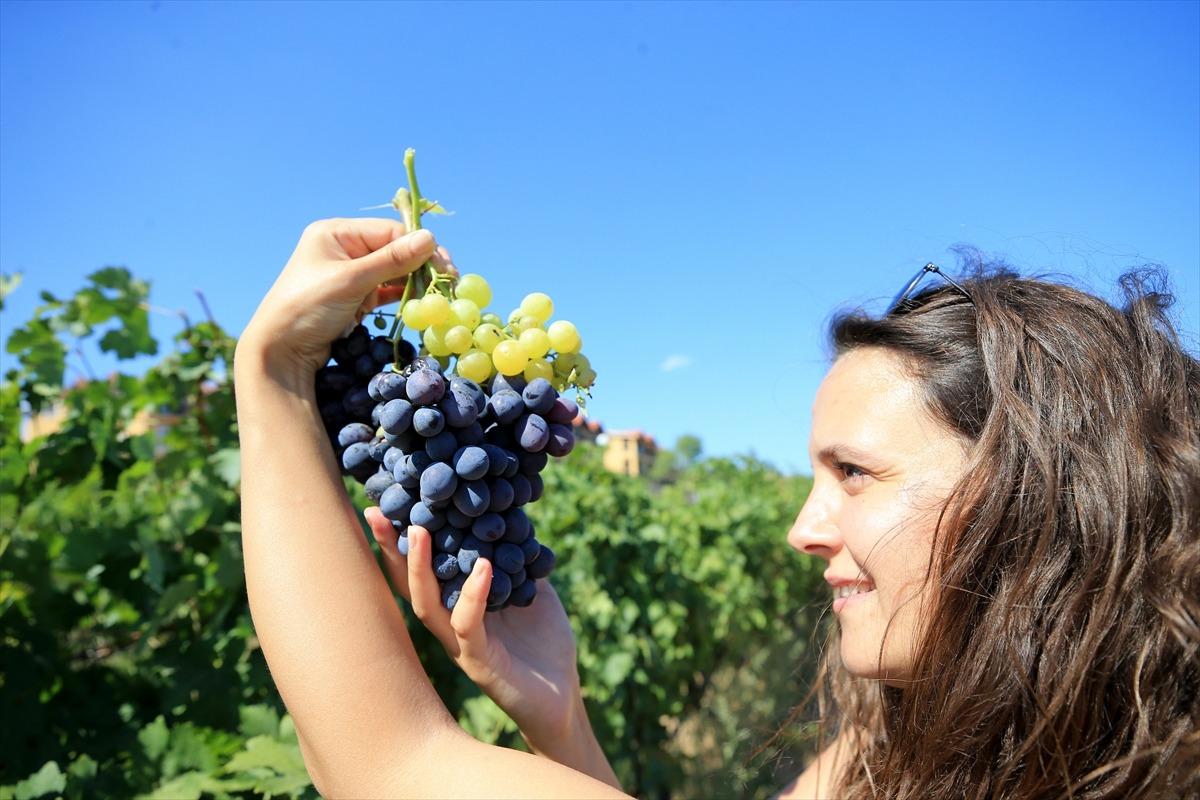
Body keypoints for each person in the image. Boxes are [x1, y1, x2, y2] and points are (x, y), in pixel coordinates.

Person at [235, 218, 1199, 799]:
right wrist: (560, 715)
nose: (801, 529)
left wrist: (274, 375)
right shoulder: (881, 757)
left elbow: (382, 765)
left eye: (855, 473)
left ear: (1037, 491)